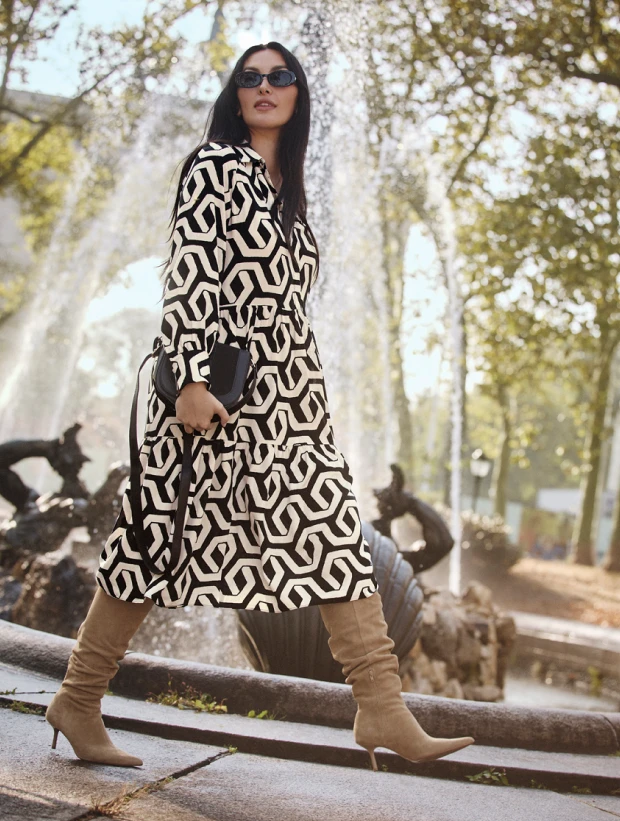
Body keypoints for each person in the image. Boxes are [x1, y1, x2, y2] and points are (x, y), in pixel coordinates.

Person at [46, 41, 474, 771]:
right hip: (216, 396)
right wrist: (188, 380)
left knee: (336, 534)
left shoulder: (288, 192)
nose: (265, 86)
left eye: (280, 76)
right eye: (251, 78)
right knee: (151, 546)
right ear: (237, 94)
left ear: (299, 93)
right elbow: (189, 273)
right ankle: (78, 699)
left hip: (288, 404)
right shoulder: (217, 165)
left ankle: (380, 705)